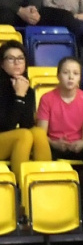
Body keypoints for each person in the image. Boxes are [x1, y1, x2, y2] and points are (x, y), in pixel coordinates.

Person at [0, 40, 52, 178]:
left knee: (38, 133)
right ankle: (21, 184)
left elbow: (27, 124)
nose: (16, 63)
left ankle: (44, 180)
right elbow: (6, 126)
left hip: (11, 138)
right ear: (2, 64)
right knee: (24, 135)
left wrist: (23, 95)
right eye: (11, 59)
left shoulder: (26, 88)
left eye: (20, 58)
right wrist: (19, 97)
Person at [36, 56, 83, 161]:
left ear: (80, 78)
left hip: (79, 147)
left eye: (75, 73)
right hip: (53, 146)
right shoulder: (46, 99)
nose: (71, 77)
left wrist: (82, 142)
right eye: (66, 72)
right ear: (58, 76)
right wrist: (54, 143)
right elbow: (41, 134)